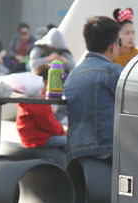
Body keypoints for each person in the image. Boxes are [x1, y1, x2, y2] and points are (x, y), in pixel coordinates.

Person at [64, 16, 123, 160]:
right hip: (107, 151)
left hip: (75, 152)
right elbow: (137, 105)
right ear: (112, 46)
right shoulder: (112, 71)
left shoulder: (73, 74)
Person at [16, 64, 66, 148]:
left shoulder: (33, 96)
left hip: (36, 137)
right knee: (67, 141)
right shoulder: (36, 100)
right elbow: (48, 123)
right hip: (36, 140)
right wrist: (62, 132)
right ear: (46, 82)